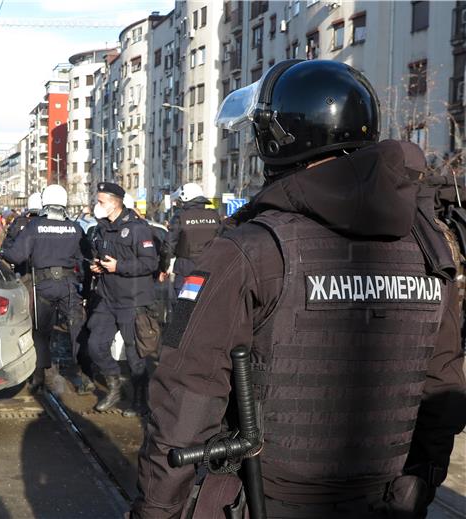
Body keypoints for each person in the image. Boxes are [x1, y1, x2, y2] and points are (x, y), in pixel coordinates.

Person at [132, 59, 466, 519]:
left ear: (277, 137)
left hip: (268, 499)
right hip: (387, 501)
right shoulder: (429, 247)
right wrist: (420, 487)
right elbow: (443, 384)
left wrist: (155, 510)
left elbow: (185, 397)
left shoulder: (250, 249)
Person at [0, 185, 87, 392]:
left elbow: (16, 256)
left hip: (43, 285)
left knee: (40, 331)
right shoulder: (75, 228)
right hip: (69, 285)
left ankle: (39, 376)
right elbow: (84, 259)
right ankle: (82, 375)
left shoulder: (35, 226)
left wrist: (3, 254)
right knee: (77, 330)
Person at [88, 182, 159, 416]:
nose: (96, 205)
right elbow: (101, 256)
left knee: (135, 355)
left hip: (133, 300)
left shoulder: (138, 229)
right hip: (107, 298)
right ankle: (114, 388)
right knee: (95, 345)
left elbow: (150, 263)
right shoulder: (101, 228)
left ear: (114, 203)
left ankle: (140, 401)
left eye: (100, 201)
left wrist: (119, 267)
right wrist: (97, 267)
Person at [158, 182, 221, 293]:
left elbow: (168, 247)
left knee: (185, 308)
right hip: (210, 270)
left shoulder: (180, 216)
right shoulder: (214, 215)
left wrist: (163, 268)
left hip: (186, 271)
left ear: (185, 198)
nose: (179, 204)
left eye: (180, 201)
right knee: (206, 307)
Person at [3, 193, 42, 276]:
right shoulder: (20, 221)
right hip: (35, 270)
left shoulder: (20, 221)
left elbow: (8, 244)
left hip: (23, 270)